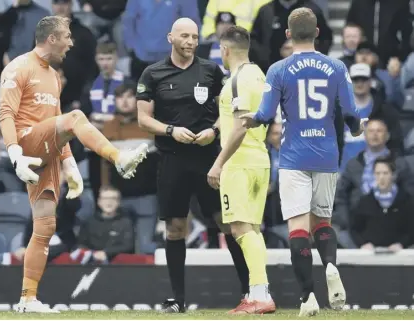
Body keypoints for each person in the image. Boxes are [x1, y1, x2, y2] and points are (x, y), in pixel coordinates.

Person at [0, 15, 148, 313]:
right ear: (51, 38)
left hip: (46, 153)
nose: (71, 42)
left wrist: (70, 166)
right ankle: (119, 158)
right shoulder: (17, 67)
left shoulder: (54, 76)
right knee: (78, 116)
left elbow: (58, 127)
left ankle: (27, 299)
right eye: (67, 36)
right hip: (26, 145)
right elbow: (5, 114)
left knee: (45, 227)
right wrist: (15, 155)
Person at [240, 7, 365, 316]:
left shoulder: (279, 69)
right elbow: (350, 113)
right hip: (326, 154)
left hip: (294, 155)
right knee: (322, 222)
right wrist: (356, 127)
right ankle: (331, 265)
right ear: (318, 33)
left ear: (287, 34)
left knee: (298, 229)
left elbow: (266, 115)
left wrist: (251, 120)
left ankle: (308, 296)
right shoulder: (336, 67)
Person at [137, 17, 250, 313]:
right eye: (184, 36)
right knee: (175, 228)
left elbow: (226, 110)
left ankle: (250, 293)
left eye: (195, 37)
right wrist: (171, 130)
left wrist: (214, 130)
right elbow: (143, 118)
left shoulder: (211, 71)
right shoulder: (153, 73)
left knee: (227, 223)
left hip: (208, 158)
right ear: (170, 38)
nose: (190, 42)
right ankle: (179, 300)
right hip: (172, 159)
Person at [206, 26, 275, 314]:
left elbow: (240, 126)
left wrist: (219, 163)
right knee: (252, 230)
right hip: (260, 158)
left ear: (225, 50)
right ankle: (258, 292)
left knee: (239, 228)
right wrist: (213, 129)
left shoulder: (236, 81)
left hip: (240, 162)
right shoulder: (259, 74)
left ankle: (260, 295)